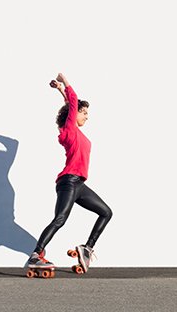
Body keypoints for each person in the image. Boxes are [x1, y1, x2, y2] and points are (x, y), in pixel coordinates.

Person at [27, 73, 113, 273]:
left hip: (80, 185)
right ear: (74, 114)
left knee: (106, 212)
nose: (86, 117)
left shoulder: (75, 131)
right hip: (68, 182)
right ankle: (35, 255)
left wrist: (59, 91)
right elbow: (72, 103)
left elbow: (69, 104)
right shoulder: (69, 131)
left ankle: (87, 249)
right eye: (84, 113)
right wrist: (64, 80)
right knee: (60, 219)